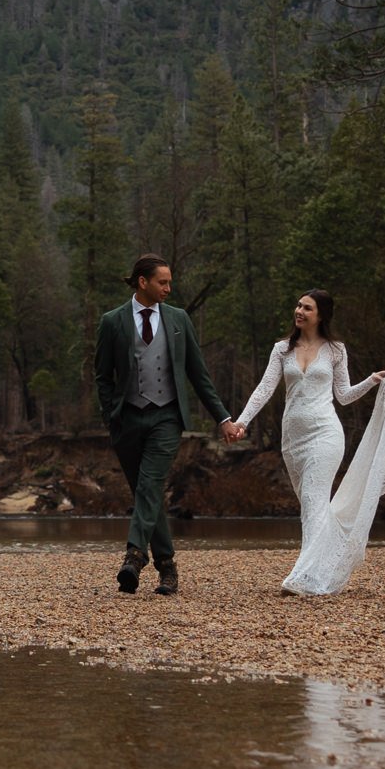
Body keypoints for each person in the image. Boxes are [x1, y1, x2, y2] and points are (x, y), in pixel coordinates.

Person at [232, 290, 385, 596]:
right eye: (298, 305)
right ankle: (324, 569)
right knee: (312, 506)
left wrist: (372, 380)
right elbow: (264, 389)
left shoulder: (336, 350)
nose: (299, 311)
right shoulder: (282, 349)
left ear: (321, 314)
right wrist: (242, 421)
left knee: (313, 502)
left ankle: (305, 577)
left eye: (307, 308)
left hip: (326, 434)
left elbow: (344, 395)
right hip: (292, 440)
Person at [92, 255, 238, 596]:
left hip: (167, 417)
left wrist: (223, 418)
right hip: (127, 419)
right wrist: (110, 416)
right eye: (163, 282)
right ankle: (168, 568)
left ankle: (134, 555)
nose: (169, 288)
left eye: (169, 282)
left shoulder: (178, 320)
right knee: (147, 492)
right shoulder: (113, 321)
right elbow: (103, 376)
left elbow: (198, 375)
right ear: (143, 282)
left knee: (149, 483)